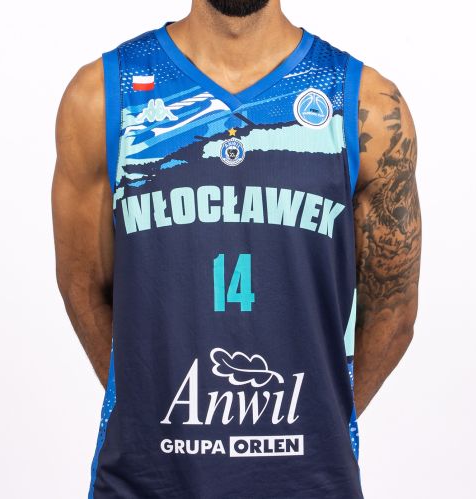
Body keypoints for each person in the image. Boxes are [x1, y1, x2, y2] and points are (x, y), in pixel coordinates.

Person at [52, 0, 421, 497]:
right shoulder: (103, 96)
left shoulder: (364, 106)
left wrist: (321, 420)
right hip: (144, 483)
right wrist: (145, 405)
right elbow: (82, 283)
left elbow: (393, 310)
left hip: (309, 482)